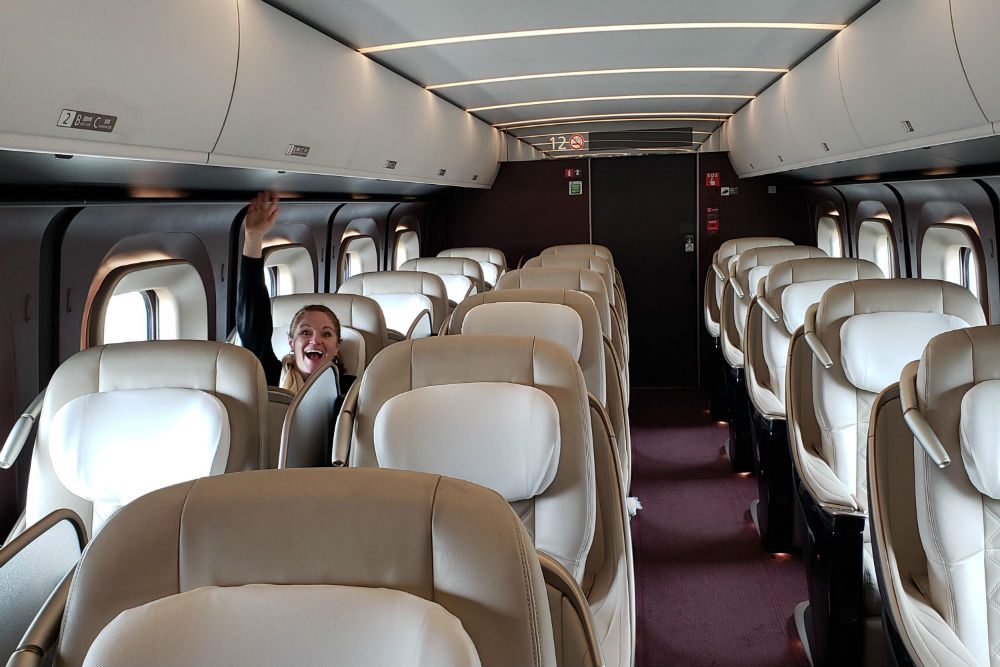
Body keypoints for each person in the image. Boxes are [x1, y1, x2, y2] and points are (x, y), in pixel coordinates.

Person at [237, 192, 353, 394]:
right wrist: (253, 237)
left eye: (326, 333)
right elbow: (253, 328)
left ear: (337, 347)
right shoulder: (273, 377)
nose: (315, 340)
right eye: (305, 332)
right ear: (291, 342)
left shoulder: (352, 391)